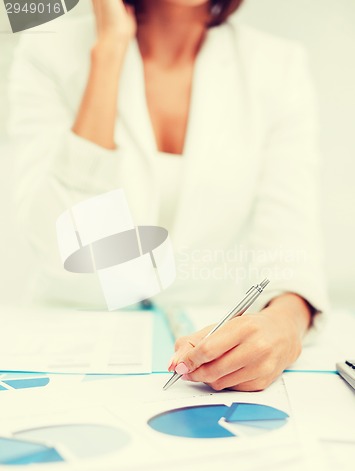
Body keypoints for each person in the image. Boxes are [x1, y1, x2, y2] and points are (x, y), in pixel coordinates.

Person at [9, 0, 327, 391]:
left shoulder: (277, 66)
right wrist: (109, 50)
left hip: (203, 341)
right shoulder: (48, 49)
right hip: (65, 340)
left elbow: (290, 245)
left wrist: (282, 325)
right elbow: (61, 251)